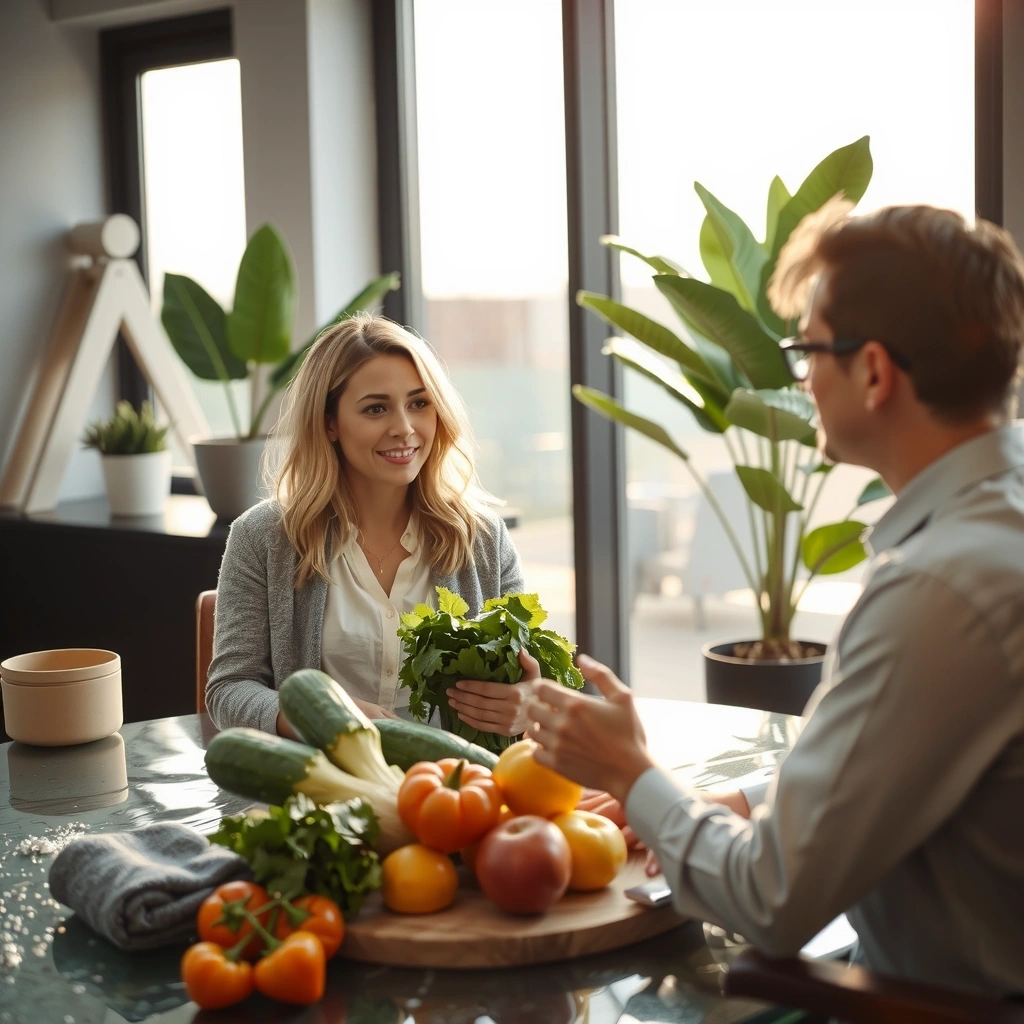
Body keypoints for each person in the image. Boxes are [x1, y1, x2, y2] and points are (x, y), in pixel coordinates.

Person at [524, 202, 1024, 998]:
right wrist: (745, 798)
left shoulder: (940, 588)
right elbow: (904, 757)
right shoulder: (998, 519)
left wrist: (632, 771)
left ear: (873, 371)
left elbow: (772, 897)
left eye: (807, 349)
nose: (799, 378)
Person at [206, 314, 534, 738]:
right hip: (320, 787)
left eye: (419, 403)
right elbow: (230, 690)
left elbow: (531, 678)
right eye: (376, 408)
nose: (404, 428)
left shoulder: (484, 538)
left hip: (458, 789)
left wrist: (529, 703)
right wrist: (323, 716)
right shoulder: (263, 537)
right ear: (329, 423)